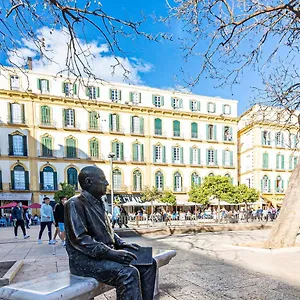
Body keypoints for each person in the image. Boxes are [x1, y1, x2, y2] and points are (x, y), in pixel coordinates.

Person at [64, 166, 157, 300]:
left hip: (103, 255)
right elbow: (81, 239)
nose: (107, 183)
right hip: (85, 261)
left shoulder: (99, 203)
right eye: (103, 180)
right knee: (128, 273)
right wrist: (111, 253)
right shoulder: (74, 204)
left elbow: (108, 231)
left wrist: (121, 243)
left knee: (149, 263)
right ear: (89, 182)